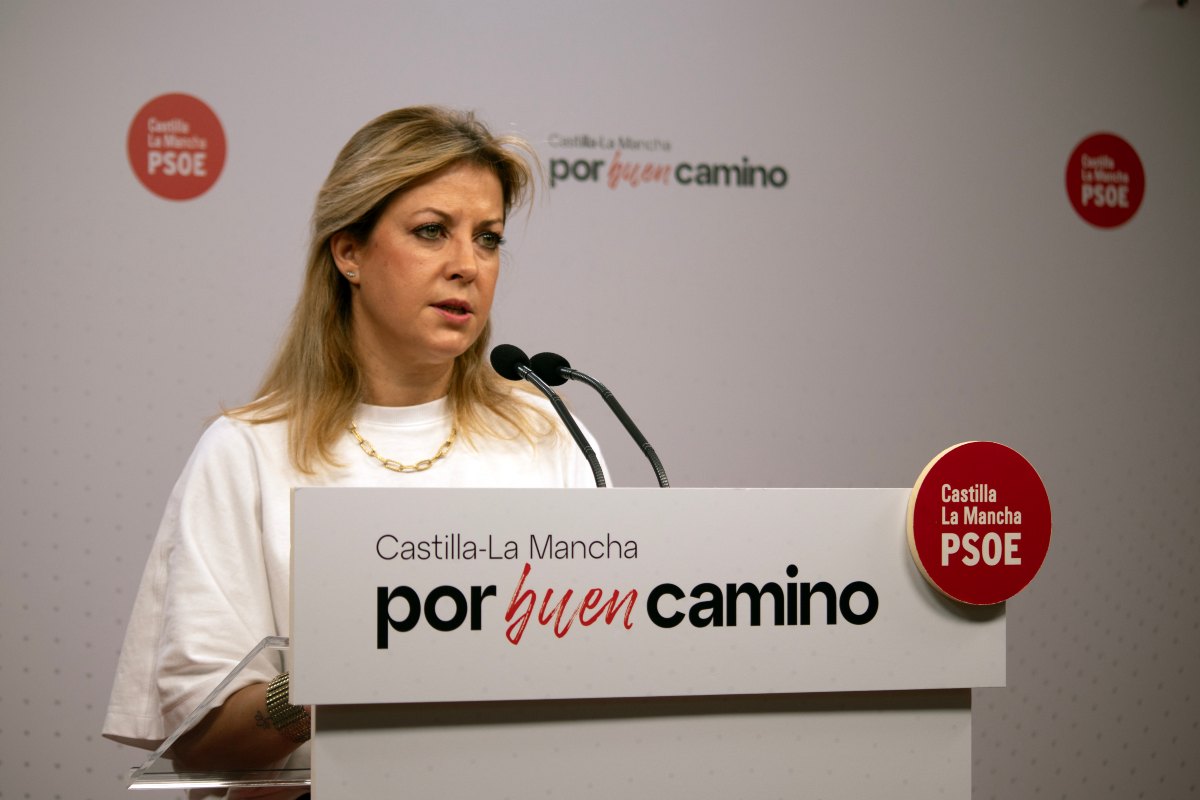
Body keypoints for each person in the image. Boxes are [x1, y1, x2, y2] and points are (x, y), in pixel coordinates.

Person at [102, 107, 603, 785]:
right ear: (349, 253)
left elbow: (607, 674)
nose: (467, 266)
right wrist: (331, 672)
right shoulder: (246, 452)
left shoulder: (549, 433)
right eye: (431, 232)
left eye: (488, 240)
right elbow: (201, 739)